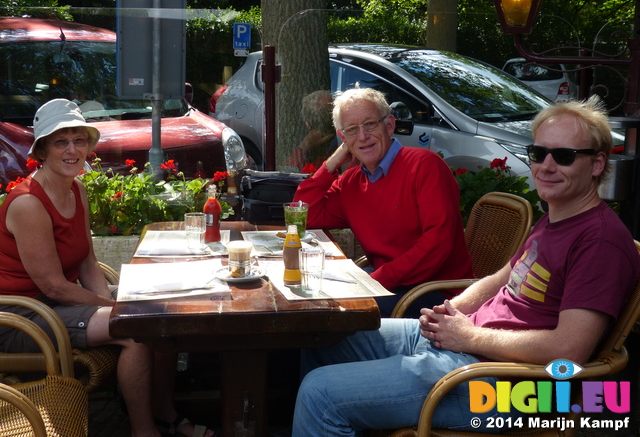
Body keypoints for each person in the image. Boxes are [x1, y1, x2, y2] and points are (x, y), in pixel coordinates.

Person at [292, 96, 640, 435]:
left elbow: (569, 350)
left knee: (320, 393)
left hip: (505, 385)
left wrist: (469, 335)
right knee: (323, 335)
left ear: (596, 165)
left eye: (564, 156)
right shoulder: (556, 220)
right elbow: (500, 279)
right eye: (538, 153)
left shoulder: (599, 241)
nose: (546, 166)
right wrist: (449, 311)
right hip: (465, 344)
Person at [0, 99, 214, 437]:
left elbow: (86, 260)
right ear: (42, 150)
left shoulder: (77, 189)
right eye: (61, 142)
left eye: (79, 140)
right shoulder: (28, 203)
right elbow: (54, 286)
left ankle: (165, 415)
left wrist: (108, 301)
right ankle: (144, 432)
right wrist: (116, 310)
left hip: (58, 303)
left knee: (162, 311)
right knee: (134, 331)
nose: (72, 150)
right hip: (22, 318)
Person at [293, 87, 473, 317]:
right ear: (343, 138)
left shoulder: (424, 165)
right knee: (307, 302)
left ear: (389, 125)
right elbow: (306, 215)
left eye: (370, 124)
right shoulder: (351, 181)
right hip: (388, 283)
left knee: (329, 317)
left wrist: (375, 280)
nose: (362, 136)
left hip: (437, 294)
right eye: (352, 130)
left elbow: (438, 243)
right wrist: (332, 163)